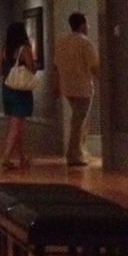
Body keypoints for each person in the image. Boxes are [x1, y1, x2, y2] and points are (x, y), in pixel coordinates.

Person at [52, 12, 100, 167]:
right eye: (87, 23)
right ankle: (73, 154)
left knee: (79, 120)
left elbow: (56, 66)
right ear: (82, 25)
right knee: (79, 122)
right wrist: (102, 82)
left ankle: (81, 151)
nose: (89, 26)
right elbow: (94, 66)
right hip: (83, 87)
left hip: (68, 86)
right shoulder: (85, 43)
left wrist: (57, 85)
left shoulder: (62, 42)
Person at [0, 20, 35, 170]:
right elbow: (32, 68)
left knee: (17, 124)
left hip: (7, 87)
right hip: (21, 90)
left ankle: (21, 156)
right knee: (17, 125)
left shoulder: (4, 49)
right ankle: (6, 157)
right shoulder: (24, 49)